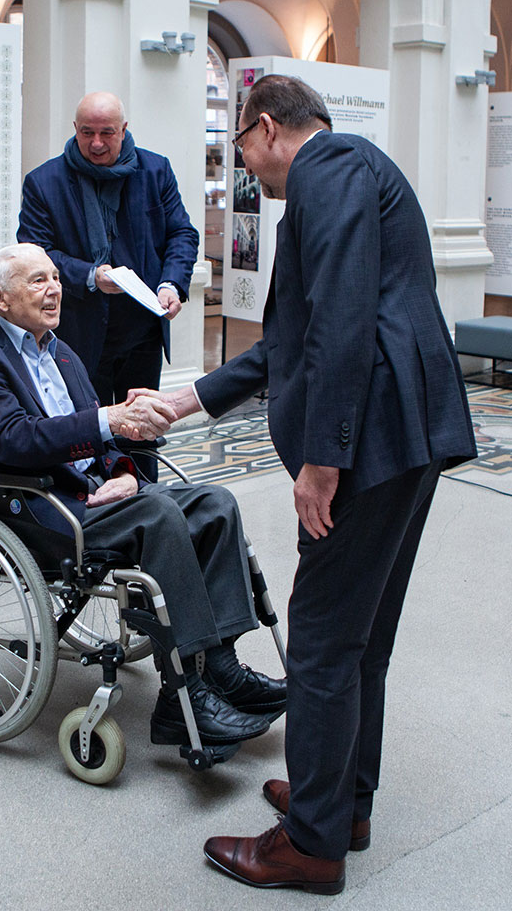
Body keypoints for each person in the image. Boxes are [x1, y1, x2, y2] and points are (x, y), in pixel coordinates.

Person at [129, 75, 478, 894]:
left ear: (264, 129)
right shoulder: (345, 175)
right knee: (361, 634)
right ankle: (341, 799)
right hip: (405, 431)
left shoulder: (331, 166)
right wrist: (184, 399)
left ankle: (312, 843)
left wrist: (325, 459)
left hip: (369, 441)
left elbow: (346, 317)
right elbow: (294, 341)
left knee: (321, 637)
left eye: (241, 149)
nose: (246, 166)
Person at [0, 243, 287, 750]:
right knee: (160, 511)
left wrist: (124, 471)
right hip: (32, 508)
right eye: (38, 280)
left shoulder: (60, 350)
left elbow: (101, 439)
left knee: (215, 503)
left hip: (93, 495)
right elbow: (13, 439)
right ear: (0, 297)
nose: (55, 288)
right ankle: (182, 696)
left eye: (56, 277)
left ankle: (221, 665)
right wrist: (109, 422)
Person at [16, 92, 199, 445]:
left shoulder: (155, 171)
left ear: (124, 130)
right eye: (86, 133)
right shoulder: (45, 181)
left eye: (107, 133)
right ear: (74, 129)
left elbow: (181, 233)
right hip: (78, 335)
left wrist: (172, 284)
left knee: (142, 433)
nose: (96, 143)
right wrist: (90, 275)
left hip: (142, 332)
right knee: (88, 436)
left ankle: (148, 499)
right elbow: (36, 253)